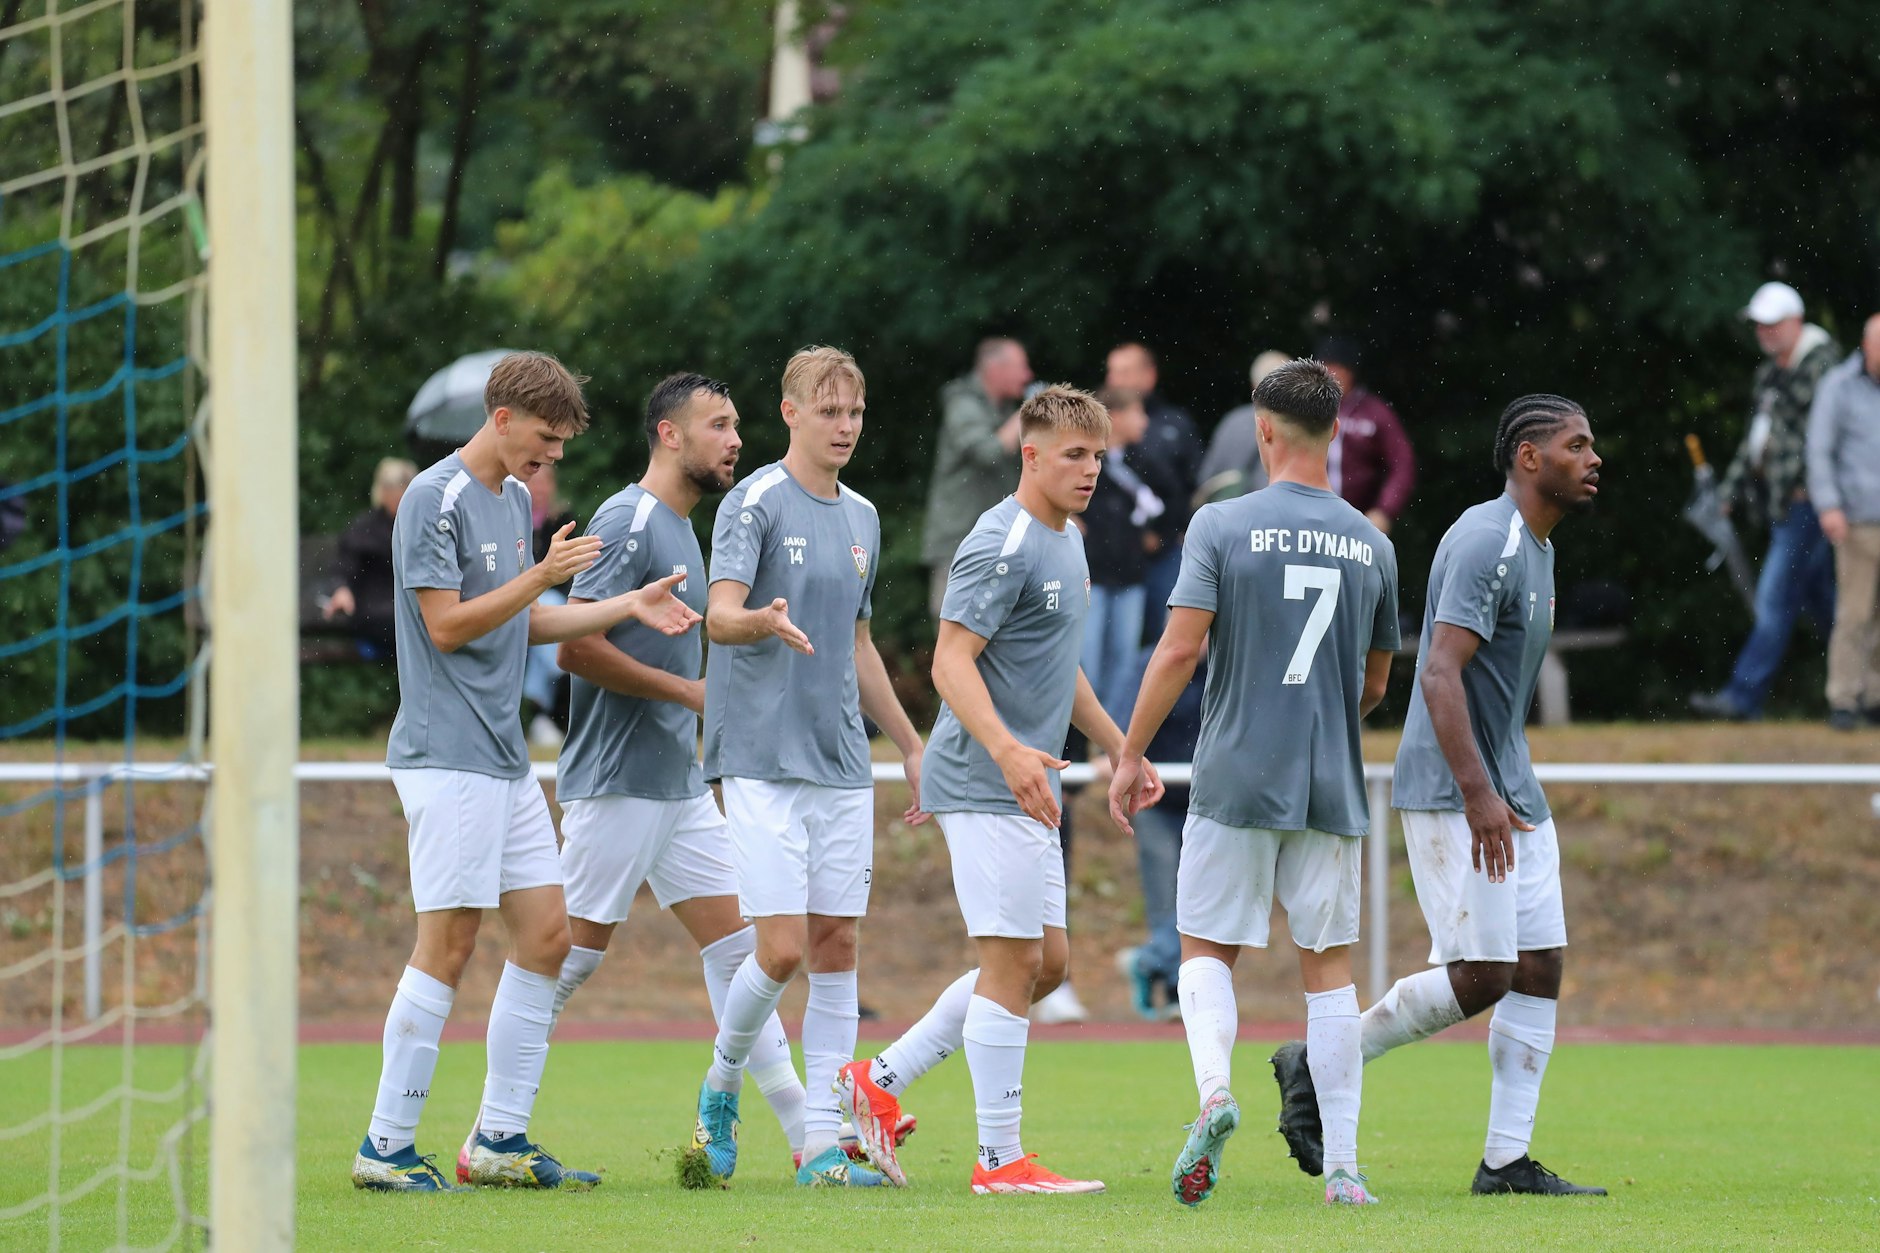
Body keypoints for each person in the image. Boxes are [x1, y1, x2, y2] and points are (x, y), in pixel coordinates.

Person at [351, 351, 701, 1193]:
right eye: (541, 444)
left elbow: (521, 625)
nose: (548, 463)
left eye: (558, 451)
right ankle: (385, 1145)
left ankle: (499, 1139)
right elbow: (446, 627)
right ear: (500, 417)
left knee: (547, 936)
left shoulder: (511, 499)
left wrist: (621, 604)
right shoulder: (432, 498)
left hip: (503, 761)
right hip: (447, 755)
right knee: (450, 943)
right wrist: (542, 575)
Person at [1270, 394, 1607, 1200]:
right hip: (1458, 791)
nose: (1594, 459)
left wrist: (1504, 787)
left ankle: (1505, 1161)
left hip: (1510, 785)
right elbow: (1438, 671)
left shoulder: (1538, 547)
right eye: (1577, 445)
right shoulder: (1486, 540)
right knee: (1485, 971)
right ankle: (1320, 1055)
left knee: (1541, 965)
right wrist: (1479, 794)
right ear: (1529, 457)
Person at [837, 385, 1163, 1195]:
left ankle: (877, 1080)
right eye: (1073, 456)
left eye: (1097, 455)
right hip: (986, 780)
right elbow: (950, 662)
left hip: (1024, 779)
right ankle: (998, 1159)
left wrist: (1123, 746)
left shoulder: (1071, 539)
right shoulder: (1001, 540)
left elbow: (1064, 668)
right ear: (1030, 454)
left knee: (1043, 964)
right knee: (1014, 962)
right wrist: (1009, 749)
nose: (1089, 470)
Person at [1109, 359, 1399, 1209]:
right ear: (1336, 431)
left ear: (1263, 430)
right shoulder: (1372, 542)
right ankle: (1343, 1168)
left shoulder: (1221, 526)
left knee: (1205, 948)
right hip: (1328, 778)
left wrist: (1131, 752)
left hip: (1236, 768)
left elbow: (1178, 649)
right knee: (1330, 971)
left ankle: (1215, 1094)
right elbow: (1376, 682)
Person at [545, 372, 815, 1174]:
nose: (736, 440)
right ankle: (489, 1127)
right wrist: (692, 692)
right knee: (561, 961)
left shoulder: (685, 530)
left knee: (743, 951)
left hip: (677, 783)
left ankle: (808, 1138)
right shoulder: (629, 520)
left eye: (736, 426)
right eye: (719, 425)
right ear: (670, 434)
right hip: (618, 779)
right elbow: (572, 645)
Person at [691, 345, 928, 1190]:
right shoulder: (752, 502)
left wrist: (907, 739)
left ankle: (824, 1146)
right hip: (759, 755)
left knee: (836, 944)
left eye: (855, 413)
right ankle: (721, 1083)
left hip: (839, 760)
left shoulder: (863, 514)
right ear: (789, 411)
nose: (844, 426)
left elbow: (860, 642)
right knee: (782, 948)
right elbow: (717, 617)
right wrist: (761, 621)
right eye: (828, 410)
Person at [1691, 283, 1841, 720]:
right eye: (1760, 324)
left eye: (1773, 324)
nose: (1765, 332)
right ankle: (1862, 691)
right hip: (1785, 506)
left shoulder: (1823, 367)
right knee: (1825, 607)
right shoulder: (1769, 375)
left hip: (1815, 503)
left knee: (1774, 599)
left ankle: (1742, 697)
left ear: (1796, 321)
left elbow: (1823, 442)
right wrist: (1728, 494)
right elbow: (1756, 442)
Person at [1109, 639, 1207, 1021]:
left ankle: (1149, 961)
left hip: (1208, 805)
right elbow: (1120, 720)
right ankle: (1173, 991)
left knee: (1202, 901)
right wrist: (1118, 756)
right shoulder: (1150, 664)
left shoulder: (1227, 661)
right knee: (1167, 902)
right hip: (1154, 802)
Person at [921, 338, 1034, 616]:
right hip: (958, 538)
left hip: (999, 538)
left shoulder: (1005, 410)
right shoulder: (962, 403)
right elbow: (989, 453)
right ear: (995, 370)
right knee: (954, 620)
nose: (1028, 375)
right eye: (1021, 367)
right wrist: (1030, 411)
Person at [1807, 313, 1880, 728]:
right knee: (1854, 613)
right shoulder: (1838, 386)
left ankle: (1875, 696)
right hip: (1857, 520)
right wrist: (1829, 505)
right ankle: (1843, 699)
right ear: (1866, 345)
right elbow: (1819, 450)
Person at [1105, 342, 1203, 636]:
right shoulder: (1096, 428)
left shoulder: (1176, 423)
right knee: (1111, 644)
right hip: (1110, 554)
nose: (1114, 380)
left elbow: (1194, 484)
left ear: (1148, 376)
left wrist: (1174, 532)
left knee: (1166, 636)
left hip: (1167, 550)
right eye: (1111, 372)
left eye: (1123, 372)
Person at [1080, 388, 1165, 715]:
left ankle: (1111, 741)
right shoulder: (1082, 459)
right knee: (1086, 660)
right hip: (1092, 578)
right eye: (1137, 412)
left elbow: (1171, 500)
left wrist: (1156, 532)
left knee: (1125, 663)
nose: (1144, 421)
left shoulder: (1143, 460)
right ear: (1114, 416)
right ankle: (1081, 737)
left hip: (1130, 576)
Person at [1314, 336, 1416, 532]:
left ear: (1351, 371)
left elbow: (1403, 463)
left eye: (1337, 367)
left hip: (1360, 520)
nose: (1330, 374)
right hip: (1312, 516)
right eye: (1325, 367)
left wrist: (1385, 510)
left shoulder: (1375, 412)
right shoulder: (1308, 408)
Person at [323, 457, 417, 658]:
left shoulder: (418, 527)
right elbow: (343, 567)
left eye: (402, 487)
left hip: (407, 610)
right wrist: (341, 589)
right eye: (392, 488)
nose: (397, 495)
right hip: (375, 612)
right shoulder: (365, 529)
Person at [522, 462, 579, 746]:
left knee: (542, 615)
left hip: (555, 596)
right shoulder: (512, 518)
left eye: (545, 483)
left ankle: (542, 712)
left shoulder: (563, 521)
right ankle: (562, 663)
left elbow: (573, 569)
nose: (540, 489)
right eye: (535, 482)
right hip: (525, 597)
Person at [1196, 351, 1291, 505]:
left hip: (1232, 515)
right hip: (1279, 516)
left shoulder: (1232, 423)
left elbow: (1207, 479)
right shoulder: (1304, 426)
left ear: (1254, 386)